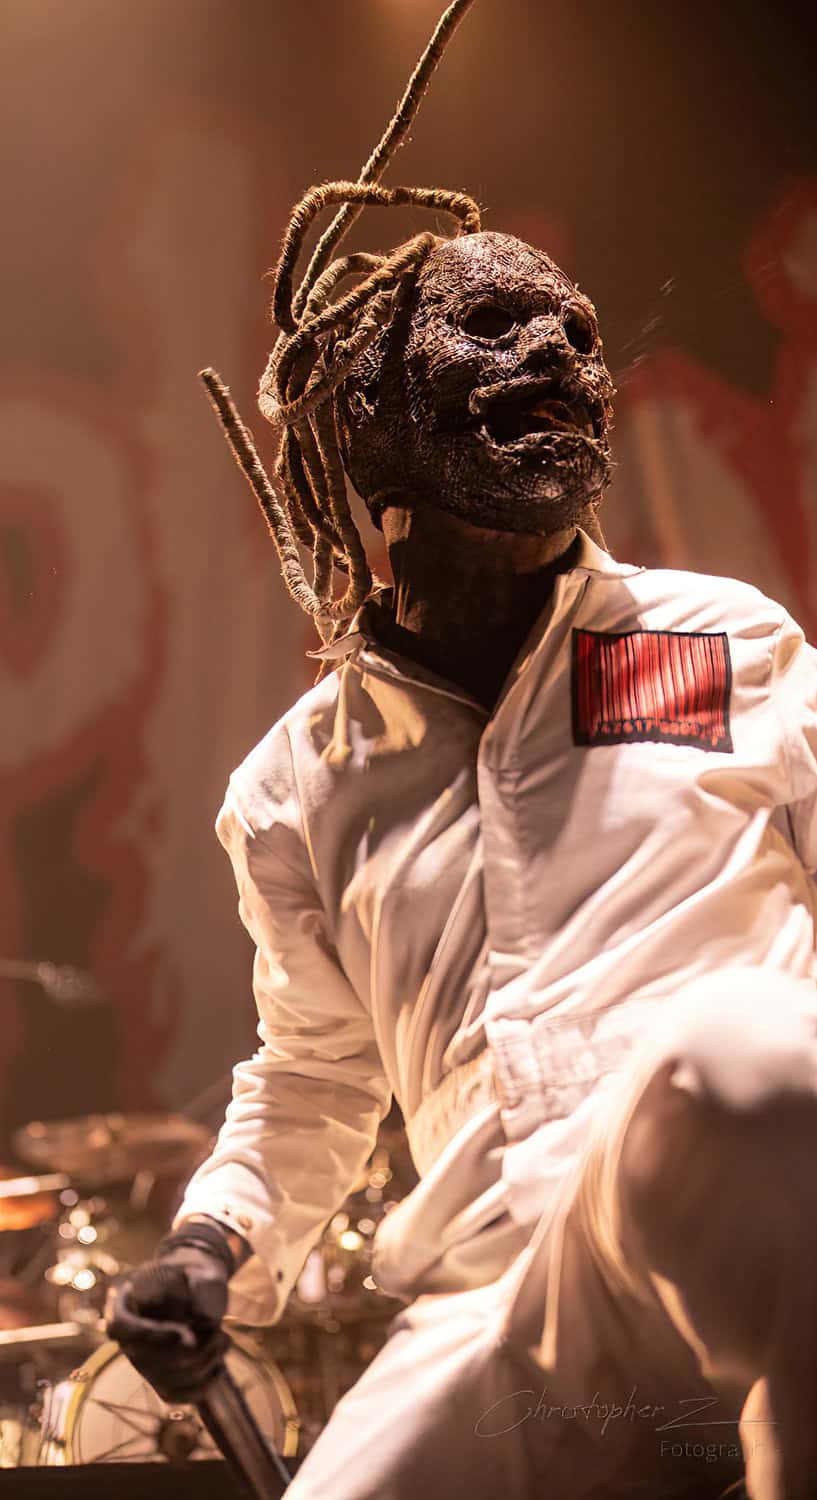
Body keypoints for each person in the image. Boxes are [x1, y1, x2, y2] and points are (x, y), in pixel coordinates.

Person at [106, 8, 817, 1499]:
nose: (556, 353)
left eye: (576, 333)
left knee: (741, 1065)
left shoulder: (725, 642)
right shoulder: (297, 785)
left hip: (744, 1219)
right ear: (365, 417)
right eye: (495, 328)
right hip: (499, 1303)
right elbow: (312, 1074)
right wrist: (212, 1242)